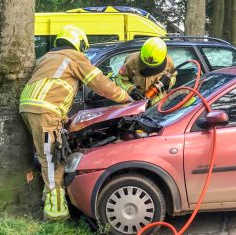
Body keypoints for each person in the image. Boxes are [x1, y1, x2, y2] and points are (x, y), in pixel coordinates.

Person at [19, 25, 132, 221]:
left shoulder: (47, 58)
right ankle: (56, 215)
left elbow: (52, 87)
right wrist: (126, 98)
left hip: (29, 108)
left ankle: (49, 200)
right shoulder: (74, 57)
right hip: (45, 112)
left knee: (46, 155)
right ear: (79, 43)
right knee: (53, 160)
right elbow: (99, 83)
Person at [116, 37, 177, 105]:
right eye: (146, 64)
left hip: (158, 104)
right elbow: (120, 79)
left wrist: (168, 83)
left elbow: (173, 76)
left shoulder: (168, 62)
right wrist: (131, 90)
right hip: (136, 103)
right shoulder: (131, 61)